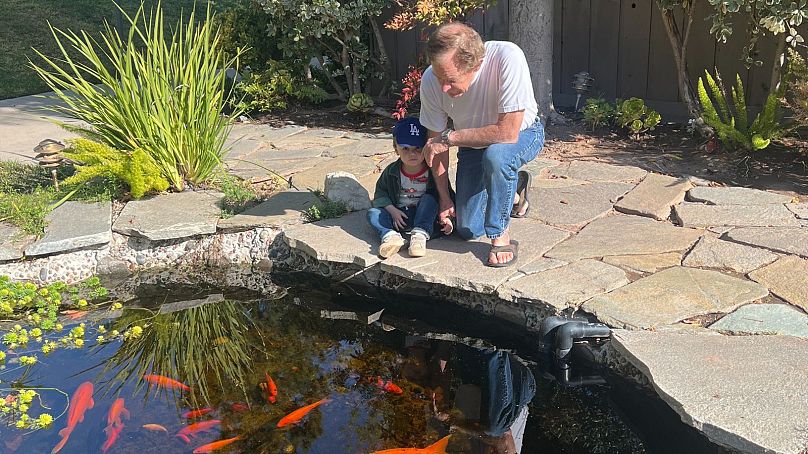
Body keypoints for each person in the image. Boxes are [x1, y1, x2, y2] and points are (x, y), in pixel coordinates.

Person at [419, 22, 545, 267]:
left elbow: (507, 133)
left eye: (450, 79)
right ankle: (514, 185)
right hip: (474, 146)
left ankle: (500, 235)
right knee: (467, 228)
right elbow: (436, 148)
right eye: (438, 76)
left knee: (498, 156)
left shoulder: (507, 57)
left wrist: (450, 137)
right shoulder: (431, 81)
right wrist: (445, 199)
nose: (443, 87)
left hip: (523, 135)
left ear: (476, 64)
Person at [367, 117, 454, 259]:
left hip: (426, 216)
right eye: (405, 148)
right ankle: (391, 237)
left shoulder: (433, 172)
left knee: (429, 199)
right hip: (400, 216)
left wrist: (448, 218)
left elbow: (446, 196)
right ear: (396, 149)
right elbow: (380, 193)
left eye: (417, 148)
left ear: (426, 147)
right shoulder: (391, 172)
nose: (412, 154)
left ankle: (419, 236)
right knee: (373, 213)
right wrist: (392, 210)